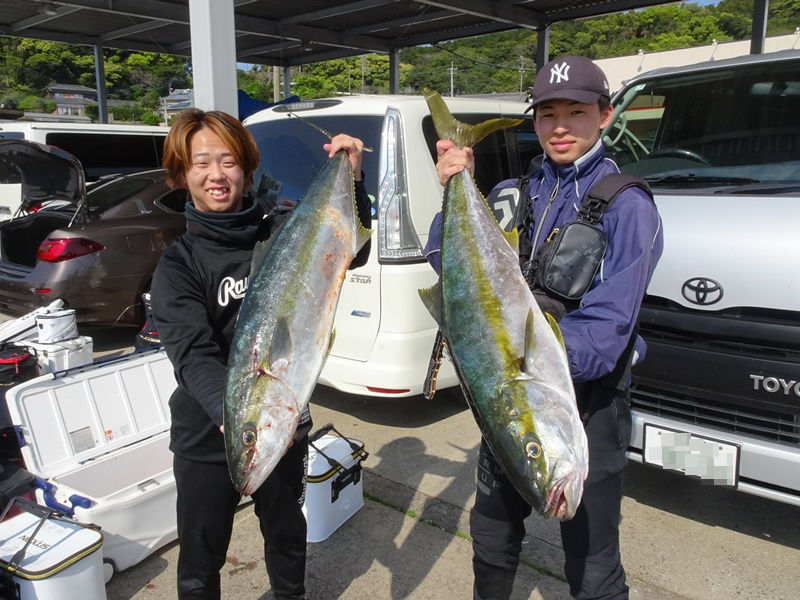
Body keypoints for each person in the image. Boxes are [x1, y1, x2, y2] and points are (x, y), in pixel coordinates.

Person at [424, 56, 663, 600]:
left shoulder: (628, 207)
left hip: (586, 402)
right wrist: (455, 189)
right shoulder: (512, 191)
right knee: (490, 535)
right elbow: (445, 260)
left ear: (604, 115)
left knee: (593, 561)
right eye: (548, 114)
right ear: (534, 121)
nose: (560, 127)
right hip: (509, 397)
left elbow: (606, 329)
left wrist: (517, 364)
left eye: (576, 112)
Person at [150, 108, 370, 600]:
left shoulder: (281, 232)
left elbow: (351, 250)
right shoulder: (178, 267)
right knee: (200, 556)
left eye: (228, 161)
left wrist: (352, 179)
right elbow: (193, 356)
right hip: (210, 434)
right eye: (201, 163)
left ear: (247, 169)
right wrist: (237, 417)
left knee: (287, 535)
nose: (216, 174)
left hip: (281, 424)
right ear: (182, 175)